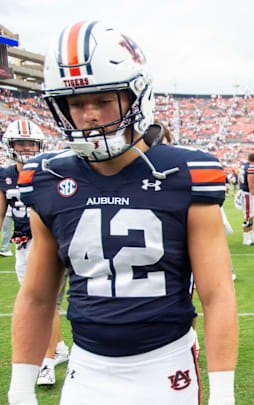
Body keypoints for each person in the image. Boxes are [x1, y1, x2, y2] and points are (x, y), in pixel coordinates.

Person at [8, 21, 237, 405]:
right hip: (88, 368)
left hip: (165, 364)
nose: (90, 115)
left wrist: (223, 394)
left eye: (103, 100)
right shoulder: (48, 178)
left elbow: (216, 295)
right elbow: (36, 297)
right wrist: (19, 390)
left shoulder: (186, 174)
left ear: (136, 96)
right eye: (77, 104)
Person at [1, 120, 70, 386]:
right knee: (44, 302)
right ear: (11, 145)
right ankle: (60, 349)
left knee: (45, 302)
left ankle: (47, 361)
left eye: (30, 143)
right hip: (24, 244)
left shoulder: (48, 171)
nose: (27, 148)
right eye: (21, 143)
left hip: (51, 242)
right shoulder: (6, 175)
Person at [235, 152, 254, 245]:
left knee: (250, 215)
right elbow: (251, 185)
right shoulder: (251, 168)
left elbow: (239, 180)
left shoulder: (242, 166)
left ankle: (251, 237)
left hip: (243, 191)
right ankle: (246, 239)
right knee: (248, 215)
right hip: (247, 194)